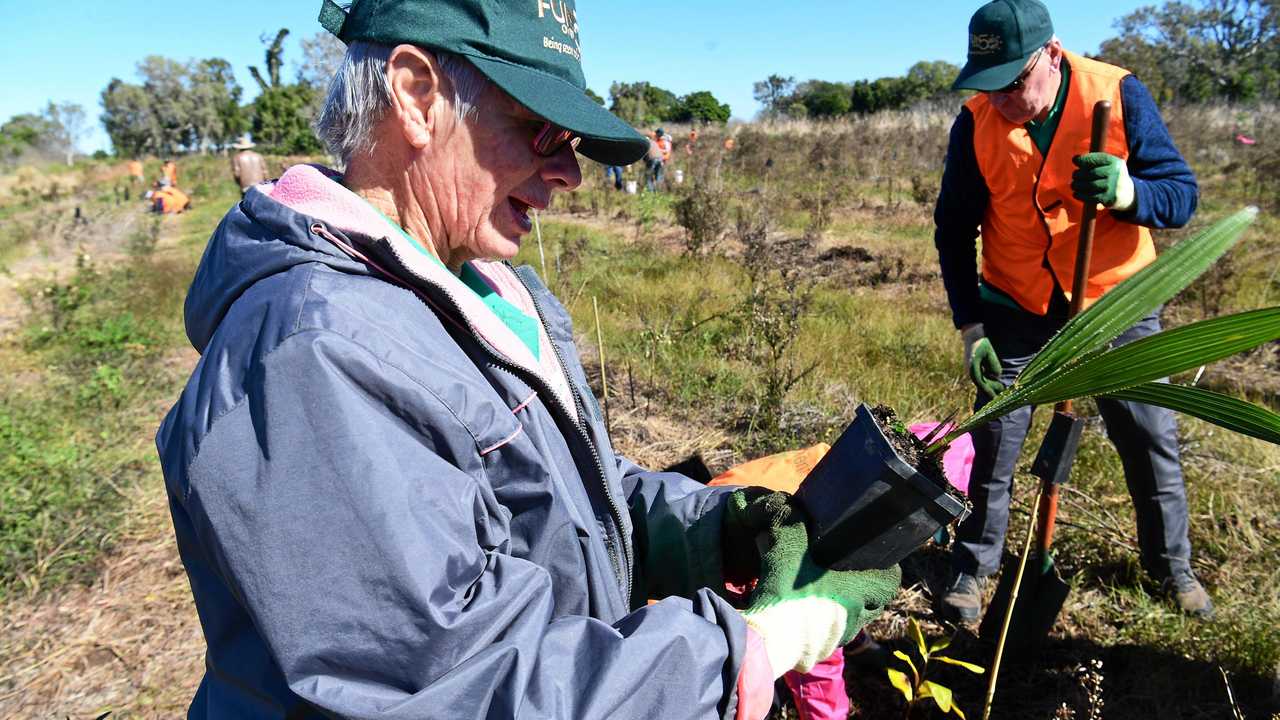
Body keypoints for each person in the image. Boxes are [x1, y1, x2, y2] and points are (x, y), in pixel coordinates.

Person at [155, 1, 900, 718]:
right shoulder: (316, 357)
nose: (570, 174)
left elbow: (553, 504)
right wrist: (752, 651)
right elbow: (454, 685)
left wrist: (709, 530)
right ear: (416, 97)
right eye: (540, 131)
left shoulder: (473, 284)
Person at [933, 0, 1208, 623]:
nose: (1001, 99)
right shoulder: (974, 122)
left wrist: (1132, 191)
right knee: (995, 435)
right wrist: (972, 325)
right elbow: (953, 229)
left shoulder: (1116, 94)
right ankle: (973, 568)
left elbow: (1181, 194)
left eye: (1013, 82)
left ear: (1050, 55)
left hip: (1116, 299)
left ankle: (1172, 570)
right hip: (1017, 302)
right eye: (988, 84)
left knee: (1147, 435)